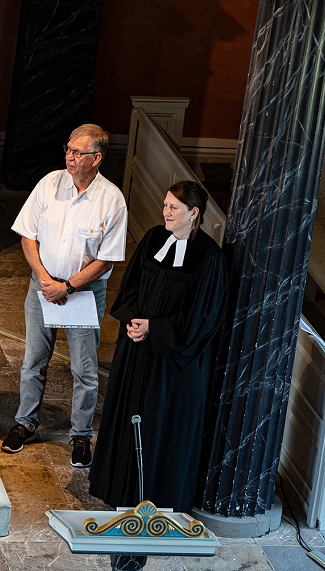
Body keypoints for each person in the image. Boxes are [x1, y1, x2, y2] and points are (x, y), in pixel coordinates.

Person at [89, 181, 227, 511]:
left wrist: (156, 328)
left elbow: (203, 317)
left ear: (193, 213)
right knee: (128, 417)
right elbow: (131, 286)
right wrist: (133, 322)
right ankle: (119, 490)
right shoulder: (153, 238)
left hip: (172, 362)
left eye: (174, 207)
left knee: (158, 425)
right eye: (165, 204)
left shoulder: (209, 257)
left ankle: (155, 499)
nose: (166, 211)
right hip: (137, 350)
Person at [0, 124, 127, 468]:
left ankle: (81, 435)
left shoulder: (111, 199)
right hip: (41, 287)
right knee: (33, 361)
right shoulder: (49, 184)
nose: (69, 157)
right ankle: (25, 423)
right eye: (68, 149)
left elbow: (106, 260)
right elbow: (28, 236)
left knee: (84, 369)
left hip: (83, 294)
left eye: (77, 152)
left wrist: (68, 286)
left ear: (96, 158)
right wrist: (45, 279)